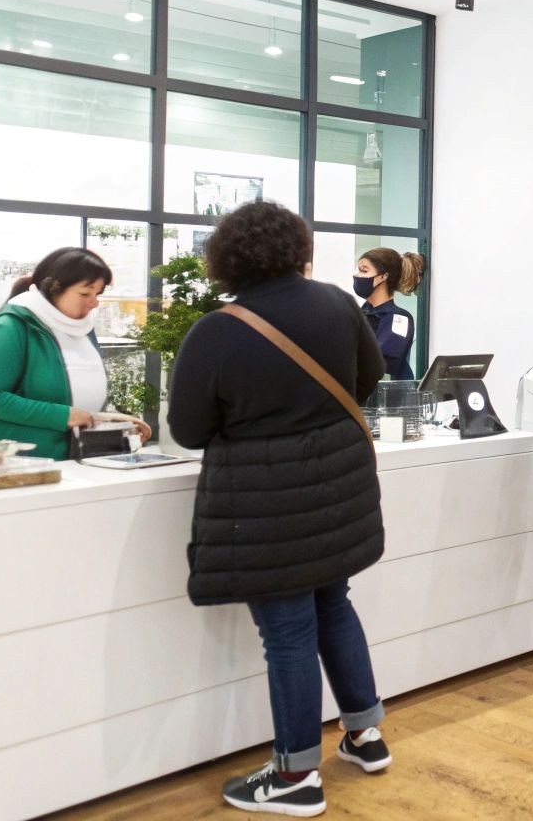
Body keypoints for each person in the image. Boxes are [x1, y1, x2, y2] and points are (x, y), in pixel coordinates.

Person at [170, 202, 390, 817]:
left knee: (288, 632)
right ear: (298, 246)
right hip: (337, 489)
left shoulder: (218, 330)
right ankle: (365, 735)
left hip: (264, 507)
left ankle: (295, 775)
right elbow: (367, 379)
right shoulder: (337, 305)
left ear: (227, 257)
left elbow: (188, 430)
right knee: (333, 605)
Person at [0, 247, 149, 460]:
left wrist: (100, 419)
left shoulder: (81, 329)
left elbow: (63, 398)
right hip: (20, 464)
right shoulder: (10, 327)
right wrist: (65, 416)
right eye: (85, 293)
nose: (94, 302)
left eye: (98, 293)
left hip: (73, 462)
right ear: (53, 288)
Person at [354, 248, 425, 381]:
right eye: (358, 270)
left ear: (383, 276)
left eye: (364, 270)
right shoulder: (359, 313)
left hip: (389, 397)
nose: (357, 276)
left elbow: (380, 363)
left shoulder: (400, 319)